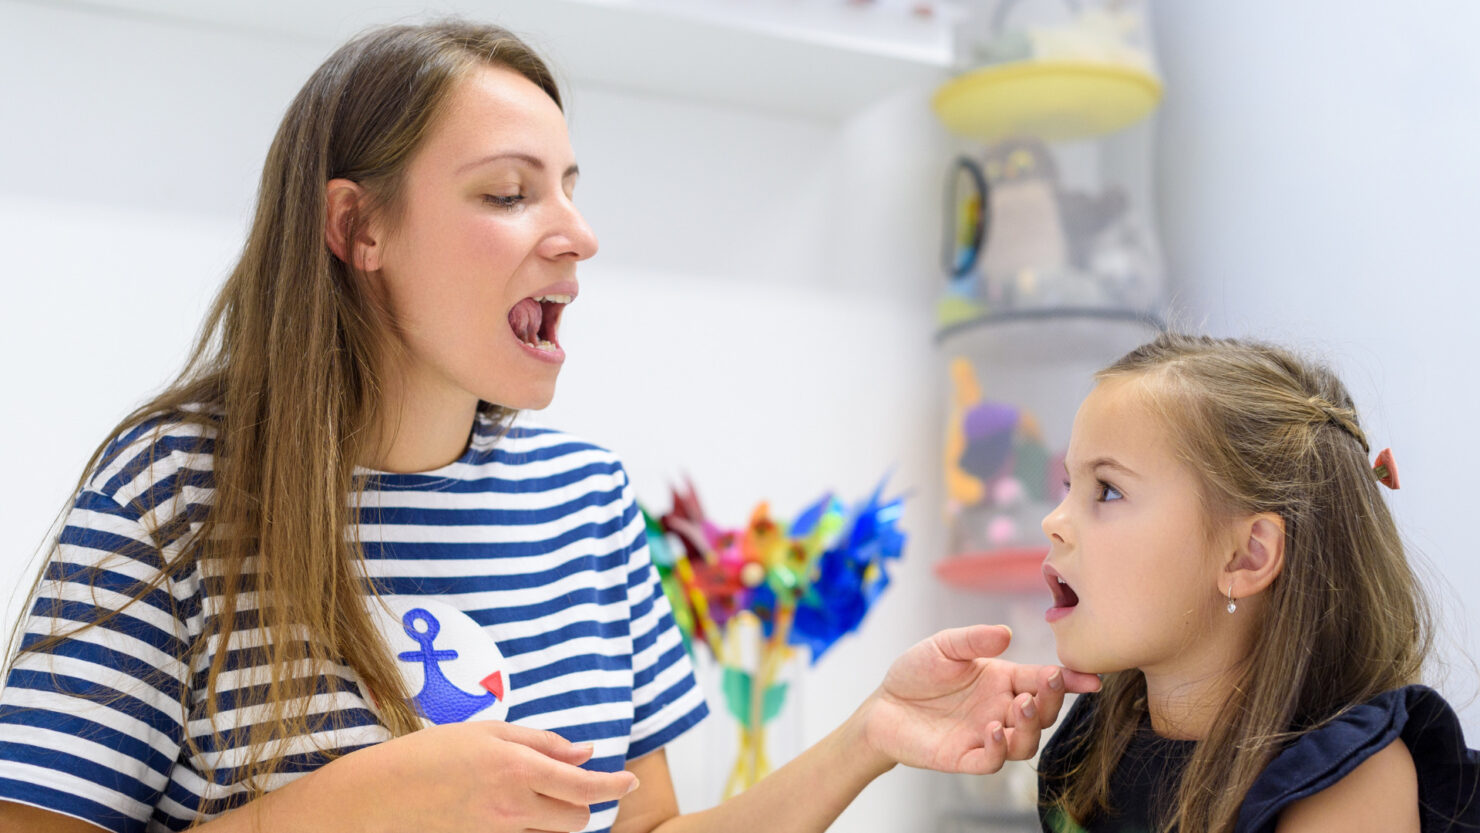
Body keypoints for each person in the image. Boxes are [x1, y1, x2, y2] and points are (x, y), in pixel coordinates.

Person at [0, 20, 1100, 833]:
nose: (577, 233)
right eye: (508, 192)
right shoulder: (171, 491)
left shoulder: (585, 500)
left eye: (568, 186)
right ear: (357, 227)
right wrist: (368, 802)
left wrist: (871, 735)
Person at [1035, 332, 1480, 833]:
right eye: (1070, 487)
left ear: (1247, 556)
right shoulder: (1092, 745)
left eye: (1108, 490)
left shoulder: (1348, 778)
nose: (1054, 520)